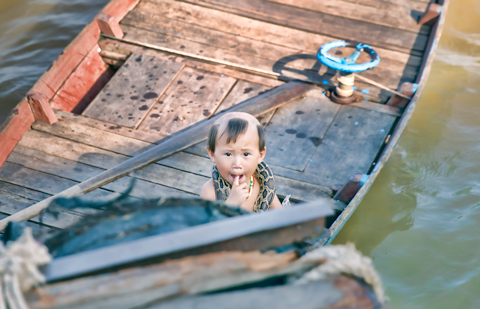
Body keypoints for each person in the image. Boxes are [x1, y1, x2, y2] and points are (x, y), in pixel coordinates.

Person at [200, 112, 282, 212]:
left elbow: (282, 216)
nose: (237, 164)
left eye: (246, 154)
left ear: (260, 155)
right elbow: (209, 226)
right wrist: (230, 204)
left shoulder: (263, 185)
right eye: (228, 154)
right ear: (213, 155)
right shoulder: (209, 192)